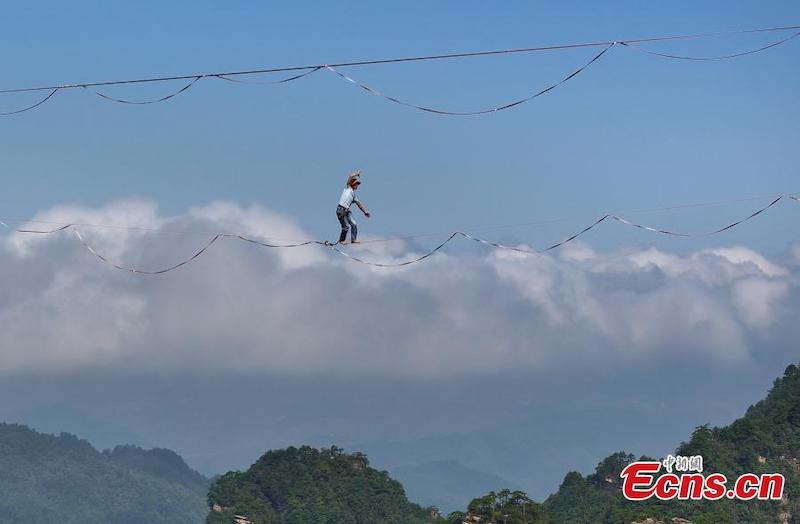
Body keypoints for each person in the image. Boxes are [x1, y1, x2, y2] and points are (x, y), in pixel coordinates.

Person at [336, 172, 370, 244]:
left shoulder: (354, 195)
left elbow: (359, 204)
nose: (357, 186)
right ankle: (341, 240)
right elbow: (350, 176)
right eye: (356, 184)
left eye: (357, 184)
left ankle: (353, 240)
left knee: (354, 224)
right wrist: (356, 174)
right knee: (346, 227)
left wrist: (365, 212)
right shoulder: (347, 188)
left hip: (347, 211)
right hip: (340, 210)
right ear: (352, 184)